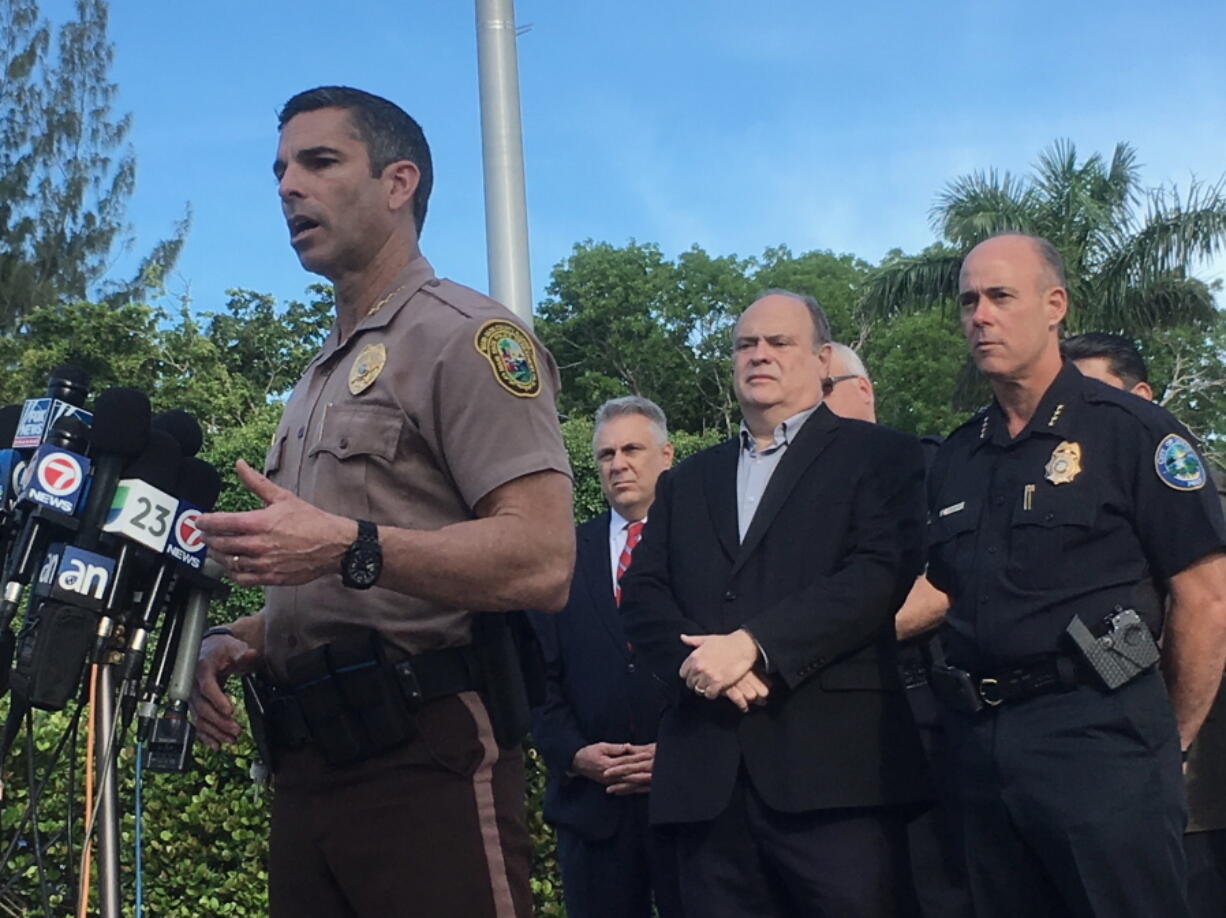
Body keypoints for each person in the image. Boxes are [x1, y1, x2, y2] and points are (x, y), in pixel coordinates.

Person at [188, 86, 575, 918]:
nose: (289, 185)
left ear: (399, 183)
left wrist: (345, 546)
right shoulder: (314, 379)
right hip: (306, 769)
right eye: (281, 168)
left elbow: (544, 561)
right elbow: (339, 582)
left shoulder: (467, 337)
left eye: (319, 162)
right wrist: (239, 636)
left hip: (423, 761)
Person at [927, 233, 1226, 917]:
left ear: (1054, 304)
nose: (981, 316)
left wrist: (1164, 741)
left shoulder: (1134, 432)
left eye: (1001, 296)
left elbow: (1207, 600)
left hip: (1101, 736)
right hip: (980, 744)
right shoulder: (958, 457)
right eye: (969, 301)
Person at [620, 290, 930, 917]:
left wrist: (756, 647)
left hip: (837, 776)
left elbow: (875, 578)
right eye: (745, 345)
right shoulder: (686, 482)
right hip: (708, 779)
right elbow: (643, 596)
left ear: (821, 361)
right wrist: (708, 668)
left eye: (778, 343)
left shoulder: (882, 456)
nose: (759, 355)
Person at [1063, 330, 1226, 917]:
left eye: (1095, 396)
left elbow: (1205, 611)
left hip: (1197, 786)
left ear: (1144, 398)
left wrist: (1171, 741)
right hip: (1098, 780)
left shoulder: (1199, 491)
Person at [824, 343, 973, 918]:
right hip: (830, 732)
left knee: (939, 891)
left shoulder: (932, 465)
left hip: (924, 715)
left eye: (824, 388)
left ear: (863, 390)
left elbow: (948, 584)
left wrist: (827, 642)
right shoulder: (793, 492)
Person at [528, 395, 684, 918]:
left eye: (633, 449)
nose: (618, 464)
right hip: (594, 812)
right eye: (605, 454)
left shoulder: (711, 549)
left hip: (693, 806)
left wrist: (684, 753)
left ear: (667, 454)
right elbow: (537, 681)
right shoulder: (563, 559)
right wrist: (574, 754)